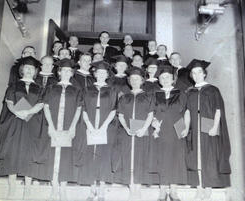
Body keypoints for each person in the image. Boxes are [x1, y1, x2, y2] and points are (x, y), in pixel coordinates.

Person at [0, 56, 44, 198]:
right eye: (26, 68)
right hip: (15, 122)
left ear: (35, 71)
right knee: (13, 153)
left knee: (29, 154)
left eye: (32, 68)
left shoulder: (39, 87)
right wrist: (17, 112)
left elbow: (41, 104)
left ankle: (27, 191)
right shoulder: (14, 86)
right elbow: (9, 102)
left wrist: (28, 112)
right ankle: (12, 190)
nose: (29, 70)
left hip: (32, 123)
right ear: (22, 70)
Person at [35, 58, 82, 200]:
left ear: (72, 73)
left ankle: (63, 189)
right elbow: (46, 106)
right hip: (54, 126)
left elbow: (79, 109)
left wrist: (73, 127)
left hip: (68, 127)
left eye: (69, 71)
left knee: (65, 158)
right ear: (59, 72)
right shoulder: (51, 88)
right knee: (52, 157)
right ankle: (54, 188)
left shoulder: (76, 90)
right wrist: (50, 126)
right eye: (64, 70)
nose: (66, 73)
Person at [185, 59, 231, 201]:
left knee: (209, 157)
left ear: (204, 74)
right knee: (196, 157)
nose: (196, 75)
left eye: (199, 72)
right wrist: (186, 128)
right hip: (194, 125)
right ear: (191, 76)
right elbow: (186, 111)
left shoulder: (212, 89)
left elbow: (218, 109)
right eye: (193, 73)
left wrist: (215, 127)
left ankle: (208, 189)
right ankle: (199, 189)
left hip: (208, 124)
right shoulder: (190, 91)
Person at [78, 61, 118, 201]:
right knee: (91, 155)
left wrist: (104, 126)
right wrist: (89, 124)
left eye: (104, 73)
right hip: (89, 123)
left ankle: (101, 189)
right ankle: (92, 188)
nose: (101, 75)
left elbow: (114, 109)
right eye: (98, 73)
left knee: (104, 156)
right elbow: (82, 108)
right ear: (94, 74)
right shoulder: (87, 89)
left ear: (107, 75)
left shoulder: (112, 90)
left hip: (106, 125)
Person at [149, 65, 189, 201]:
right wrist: (154, 123)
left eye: (168, 77)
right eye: (162, 77)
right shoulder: (155, 94)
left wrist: (186, 127)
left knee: (176, 158)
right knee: (162, 158)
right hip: (161, 130)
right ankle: (162, 190)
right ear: (159, 80)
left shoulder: (180, 93)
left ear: (173, 79)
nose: (165, 79)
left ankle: (173, 190)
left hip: (177, 127)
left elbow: (186, 111)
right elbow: (152, 113)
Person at [115, 67, 154, 200]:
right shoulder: (124, 97)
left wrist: (144, 128)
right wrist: (126, 128)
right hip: (127, 132)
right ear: (129, 81)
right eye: (132, 79)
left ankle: (138, 187)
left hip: (142, 131)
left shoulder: (148, 96)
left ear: (142, 80)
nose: (134, 81)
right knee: (128, 158)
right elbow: (120, 115)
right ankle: (131, 187)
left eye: (137, 79)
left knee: (140, 158)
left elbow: (151, 114)